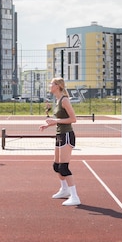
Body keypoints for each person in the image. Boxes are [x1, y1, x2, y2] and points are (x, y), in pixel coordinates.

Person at [39, 77, 80, 206]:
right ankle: (64, 190)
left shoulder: (64, 100)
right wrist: (48, 125)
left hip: (67, 134)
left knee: (64, 167)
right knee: (56, 166)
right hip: (60, 134)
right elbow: (59, 120)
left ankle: (75, 197)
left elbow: (73, 119)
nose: (49, 85)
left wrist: (55, 121)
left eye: (51, 83)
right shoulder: (57, 100)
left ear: (57, 86)